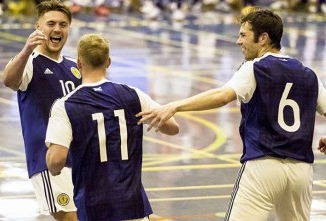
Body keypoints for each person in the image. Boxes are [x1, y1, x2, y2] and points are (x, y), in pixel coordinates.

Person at [136, 8, 326, 220]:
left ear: (263, 38)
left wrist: (174, 106)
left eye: (244, 35)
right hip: (301, 170)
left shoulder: (255, 67)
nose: (238, 41)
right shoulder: (309, 74)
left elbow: (222, 95)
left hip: (263, 166)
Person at [45, 33, 179, 221]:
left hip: (93, 205)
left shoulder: (65, 105)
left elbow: (57, 159)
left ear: (79, 64)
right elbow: (172, 128)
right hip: (132, 202)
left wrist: (52, 167)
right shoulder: (132, 94)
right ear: (108, 62)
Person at [2, 0, 81, 220]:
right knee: (69, 217)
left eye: (63, 25)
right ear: (38, 27)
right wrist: (26, 50)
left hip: (81, 156)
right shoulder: (29, 62)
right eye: (51, 23)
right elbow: (9, 80)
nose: (57, 29)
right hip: (48, 160)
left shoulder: (75, 66)